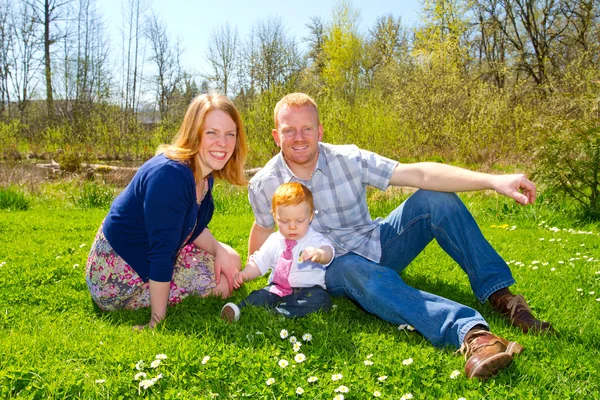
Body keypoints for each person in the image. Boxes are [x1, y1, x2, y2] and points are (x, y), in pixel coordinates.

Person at [247, 92, 552, 380]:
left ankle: (501, 295)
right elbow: (262, 227)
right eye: (289, 130)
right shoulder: (265, 183)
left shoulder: (348, 158)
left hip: (377, 243)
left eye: (307, 128)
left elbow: (419, 174)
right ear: (276, 136)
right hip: (330, 268)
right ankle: (471, 332)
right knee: (352, 267)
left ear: (320, 130)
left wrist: (493, 180)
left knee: (436, 199)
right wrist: (256, 277)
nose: (299, 138)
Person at [85, 93, 248, 330]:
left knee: (231, 258)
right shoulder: (170, 176)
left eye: (230, 134)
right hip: (117, 275)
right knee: (224, 285)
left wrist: (218, 250)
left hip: (146, 254)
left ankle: (215, 264)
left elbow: (191, 227)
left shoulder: (203, 174)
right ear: (194, 133)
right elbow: (161, 254)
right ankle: (152, 304)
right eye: (211, 132)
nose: (222, 143)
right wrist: (156, 323)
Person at [220, 182, 334, 322]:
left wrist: (319, 254)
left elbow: (328, 251)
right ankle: (237, 309)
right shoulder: (274, 240)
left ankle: (279, 313)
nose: (292, 227)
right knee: (259, 295)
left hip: (308, 289)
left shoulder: (314, 239)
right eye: (284, 221)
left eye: (299, 221)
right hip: (277, 288)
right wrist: (245, 273)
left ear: (310, 217)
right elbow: (259, 262)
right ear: (275, 217)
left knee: (321, 300)